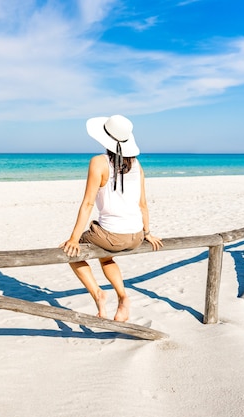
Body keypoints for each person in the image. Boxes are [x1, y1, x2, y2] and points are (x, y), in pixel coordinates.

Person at [61, 114, 162, 322]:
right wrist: (147, 233)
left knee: (71, 252)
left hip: (113, 236)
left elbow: (88, 204)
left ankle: (98, 293)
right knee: (105, 257)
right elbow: (143, 203)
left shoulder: (98, 162)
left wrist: (73, 238)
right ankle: (123, 296)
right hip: (135, 235)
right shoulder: (137, 165)